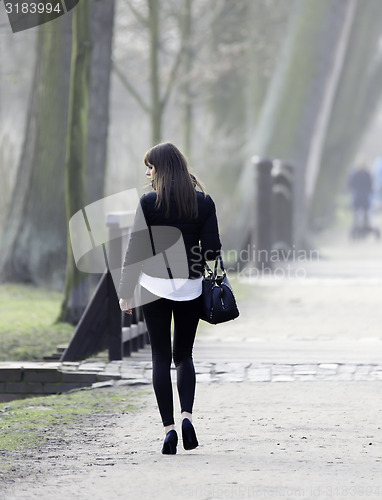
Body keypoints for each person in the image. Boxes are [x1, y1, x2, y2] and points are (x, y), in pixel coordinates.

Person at [118, 142, 221, 454]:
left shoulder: (149, 203)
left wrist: (125, 290)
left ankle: (169, 430)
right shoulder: (204, 203)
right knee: (184, 356)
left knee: (160, 358)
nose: (147, 172)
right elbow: (213, 249)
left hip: (154, 287)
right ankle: (187, 417)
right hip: (189, 287)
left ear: (161, 169)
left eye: (150, 166)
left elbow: (135, 249)